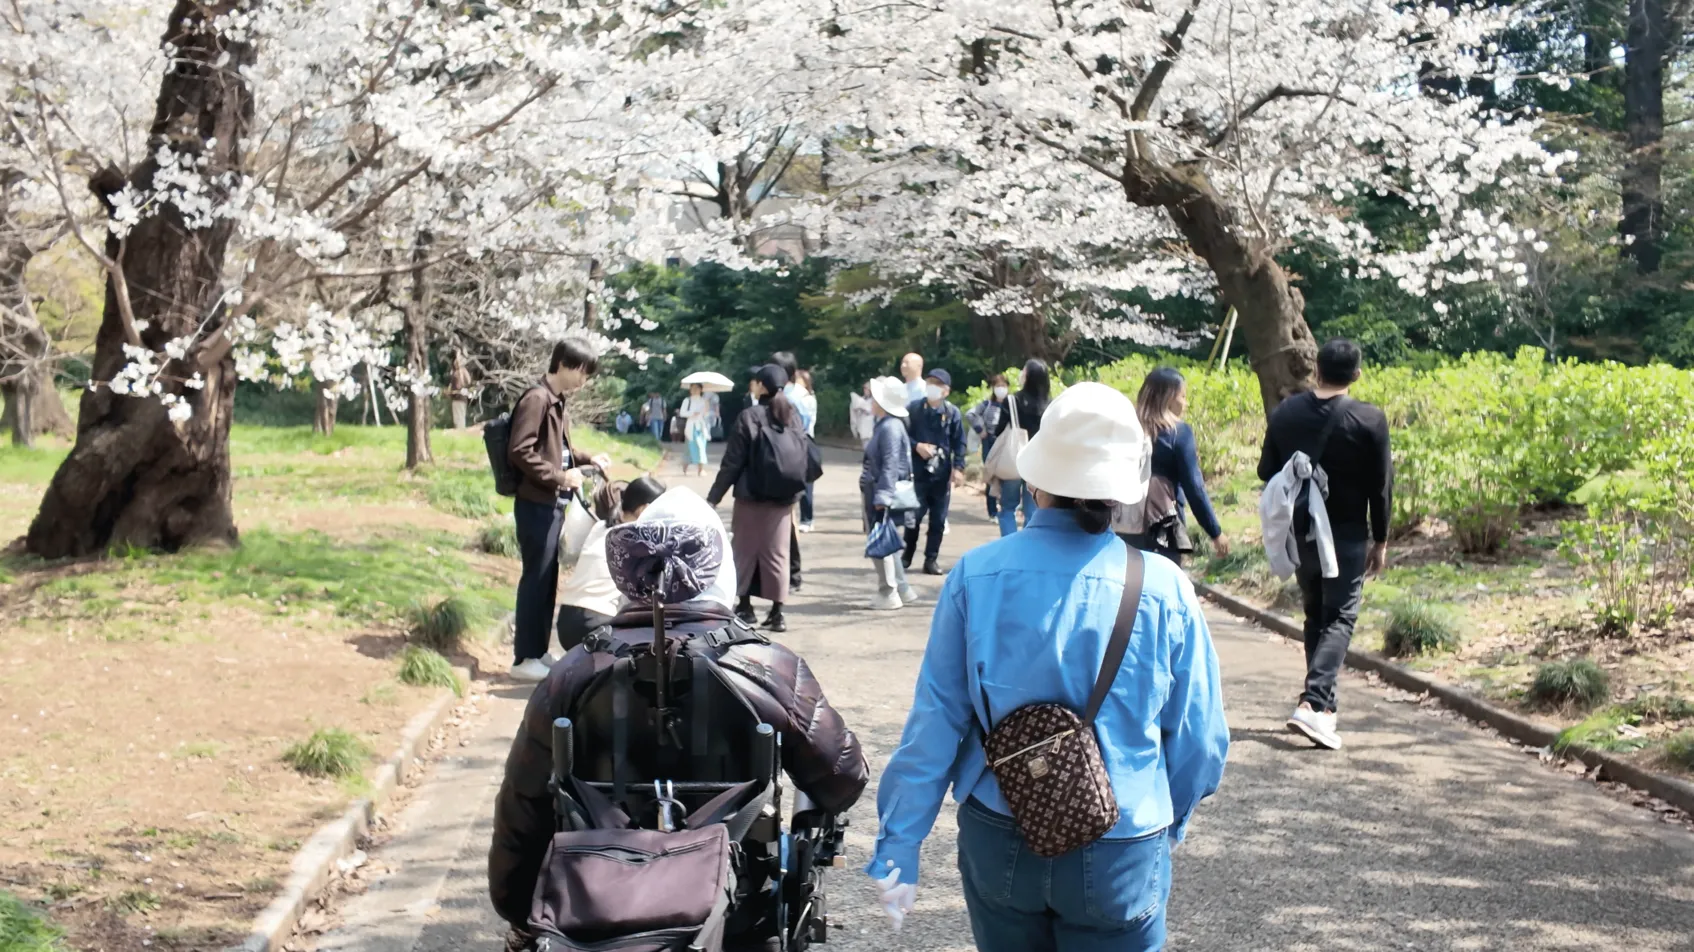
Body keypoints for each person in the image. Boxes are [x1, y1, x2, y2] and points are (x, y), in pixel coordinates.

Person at [867, 382, 1229, 952]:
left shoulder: (976, 575)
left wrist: (899, 844)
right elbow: (1202, 743)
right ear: (1121, 493)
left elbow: (935, 723)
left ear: (1035, 481)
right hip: (1123, 839)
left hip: (1000, 827)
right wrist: (1165, 821)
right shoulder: (1165, 589)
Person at [488, 486, 870, 949]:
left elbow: (522, 803)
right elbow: (843, 778)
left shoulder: (575, 670)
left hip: (598, 907)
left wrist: (517, 906)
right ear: (719, 567)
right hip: (737, 910)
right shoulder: (769, 666)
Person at [1257, 338, 1393, 751]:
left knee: (1316, 615)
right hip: (1347, 534)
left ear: (1316, 369)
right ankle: (1313, 702)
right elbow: (1381, 487)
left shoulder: (1286, 413)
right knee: (1341, 616)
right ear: (1356, 374)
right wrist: (1382, 538)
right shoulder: (1370, 419)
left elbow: (1266, 468)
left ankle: (1324, 712)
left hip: (1303, 532)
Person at [506, 339, 614, 682]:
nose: (584, 379)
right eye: (582, 370)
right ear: (564, 364)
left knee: (547, 578)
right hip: (536, 502)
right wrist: (559, 477)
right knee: (535, 581)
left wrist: (585, 460)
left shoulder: (556, 400)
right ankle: (524, 658)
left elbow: (559, 450)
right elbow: (519, 451)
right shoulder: (537, 399)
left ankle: (537, 652)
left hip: (551, 502)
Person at [707, 364, 803, 633]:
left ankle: (745, 608)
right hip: (783, 500)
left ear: (761, 386)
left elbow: (732, 463)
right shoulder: (792, 416)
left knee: (744, 552)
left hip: (751, 498)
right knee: (777, 554)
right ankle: (777, 613)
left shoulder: (749, 416)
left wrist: (714, 497)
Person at [1122, 367, 1231, 565]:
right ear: (1169, 397)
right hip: (1163, 524)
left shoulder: (1127, 428)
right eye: (1183, 396)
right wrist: (1215, 532)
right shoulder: (1178, 433)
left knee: (1128, 588)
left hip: (1124, 524)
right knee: (1162, 585)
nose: (1185, 403)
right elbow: (1194, 486)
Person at [553, 476, 667, 653]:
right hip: (598, 625)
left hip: (566, 622)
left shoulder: (601, 526)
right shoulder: (640, 540)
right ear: (644, 509)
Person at [902, 369, 966, 576]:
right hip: (918, 472)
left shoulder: (952, 413)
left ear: (946, 391)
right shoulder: (914, 409)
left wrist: (958, 467)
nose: (932, 387)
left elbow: (959, 442)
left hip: (941, 475)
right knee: (913, 517)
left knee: (938, 520)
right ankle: (907, 554)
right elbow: (902, 435)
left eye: (937, 384)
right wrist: (917, 446)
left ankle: (931, 559)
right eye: (930, 382)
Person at [862, 377, 918, 611]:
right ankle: (902, 588)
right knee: (889, 542)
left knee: (881, 544)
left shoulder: (889, 427)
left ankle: (889, 592)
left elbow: (891, 465)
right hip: (882, 490)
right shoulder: (890, 425)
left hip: (882, 492)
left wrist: (882, 497)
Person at [993, 359, 1052, 536]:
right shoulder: (1051, 404)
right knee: (1032, 510)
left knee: (1007, 508)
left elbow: (998, 430)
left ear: (1027, 376)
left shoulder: (1012, 401)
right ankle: (1028, 547)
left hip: (1014, 460)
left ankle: (1010, 544)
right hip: (1038, 463)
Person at [769, 352, 814, 583]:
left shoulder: (788, 397)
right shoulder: (800, 394)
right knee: (788, 516)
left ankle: (793, 571)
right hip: (796, 458)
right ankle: (792, 570)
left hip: (787, 458)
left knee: (788, 516)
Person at [967, 374, 1011, 520]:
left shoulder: (1011, 404)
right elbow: (971, 414)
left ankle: (1006, 508)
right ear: (993, 388)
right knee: (991, 476)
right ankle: (992, 512)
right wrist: (981, 430)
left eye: (1003, 386)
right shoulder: (987, 405)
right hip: (990, 442)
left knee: (1007, 476)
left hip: (1006, 444)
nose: (1001, 389)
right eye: (998, 386)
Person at [794, 369, 820, 532]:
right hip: (795, 440)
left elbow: (806, 422)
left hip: (805, 440)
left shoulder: (807, 399)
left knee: (806, 482)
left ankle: (807, 518)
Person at [681, 383, 712, 476]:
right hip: (691, 426)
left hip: (701, 427)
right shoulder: (687, 400)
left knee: (701, 447)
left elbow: (706, 415)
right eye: (692, 388)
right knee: (690, 448)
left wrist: (706, 408)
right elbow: (682, 413)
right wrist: (692, 413)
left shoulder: (704, 401)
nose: (694, 390)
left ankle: (700, 470)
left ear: (701, 390)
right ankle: (685, 466)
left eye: (697, 388)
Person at [448, 352, 474, 430]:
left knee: (458, 417)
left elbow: (458, 385)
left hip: (458, 397)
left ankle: (460, 431)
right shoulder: (463, 372)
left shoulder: (458, 373)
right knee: (460, 416)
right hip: (462, 397)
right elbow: (469, 382)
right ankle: (461, 430)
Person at [849, 381, 876, 448]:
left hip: (871, 429)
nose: (865, 390)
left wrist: (865, 409)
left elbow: (873, 412)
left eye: (867, 389)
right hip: (863, 428)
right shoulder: (860, 400)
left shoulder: (874, 400)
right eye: (864, 389)